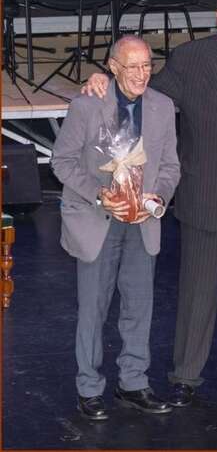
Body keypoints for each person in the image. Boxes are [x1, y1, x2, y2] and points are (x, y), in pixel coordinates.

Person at [82, 0, 217, 408]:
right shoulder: (189, 59)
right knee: (197, 295)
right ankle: (185, 377)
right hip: (204, 198)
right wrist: (104, 82)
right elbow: (139, 92)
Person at [52, 36, 181, 420]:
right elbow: (61, 161)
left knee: (140, 308)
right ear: (112, 67)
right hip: (98, 222)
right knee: (93, 309)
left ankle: (133, 383)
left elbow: (171, 167)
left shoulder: (162, 107)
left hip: (142, 223)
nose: (142, 74)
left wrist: (157, 200)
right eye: (132, 67)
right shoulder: (86, 106)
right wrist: (97, 194)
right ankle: (89, 388)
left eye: (147, 66)